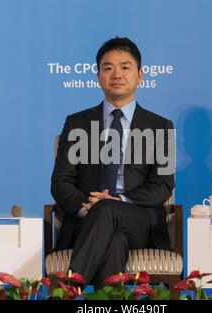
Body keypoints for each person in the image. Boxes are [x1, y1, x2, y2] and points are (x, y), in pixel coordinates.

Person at [51, 37, 175, 289]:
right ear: (98, 76)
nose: (116, 74)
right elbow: (61, 181)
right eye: (108, 68)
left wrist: (116, 202)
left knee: (107, 208)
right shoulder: (77, 123)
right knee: (114, 239)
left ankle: (68, 292)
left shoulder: (160, 126)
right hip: (88, 219)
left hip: (140, 220)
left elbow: (162, 185)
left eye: (125, 67)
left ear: (140, 75)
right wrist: (87, 207)